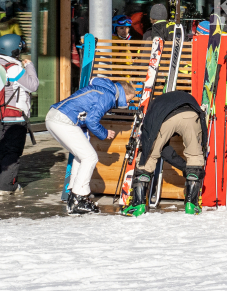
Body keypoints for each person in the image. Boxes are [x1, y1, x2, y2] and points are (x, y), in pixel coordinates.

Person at [46, 77, 135, 214]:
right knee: (90, 157)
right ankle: (79, 198)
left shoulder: (103, 90)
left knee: (81, 156)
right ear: (124, 93)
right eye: (129, 100)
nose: (128, 104)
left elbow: (84, 114)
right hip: (63, 120)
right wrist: (105, 134)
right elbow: (92, 121)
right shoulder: (108, 96)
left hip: (55, 117)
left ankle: (73, 196)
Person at [123, 91, 207, 216]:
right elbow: (166, 150)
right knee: (194, 156)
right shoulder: (176, 97)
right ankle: (191, 205)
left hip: (164, 116)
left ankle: (138, 205)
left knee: (149, 157)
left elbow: (159, 149)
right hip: (190, 112)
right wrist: (186, 168)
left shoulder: (152, 110)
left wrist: (148, 149)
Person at [0, 34, 39, 195]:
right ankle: (6, 187)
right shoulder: (13, 67)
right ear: (14, 49)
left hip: (1, 117)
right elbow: (33, 85)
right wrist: (29, 66)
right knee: (12, 152)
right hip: (13, 117)